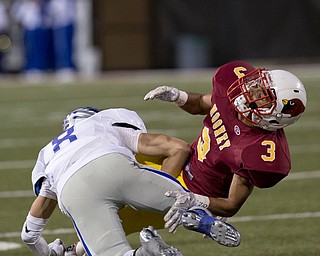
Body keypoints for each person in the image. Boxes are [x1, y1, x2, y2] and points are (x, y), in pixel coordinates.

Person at [21, 107, 240, 256]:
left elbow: (30, 233)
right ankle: (202, 217)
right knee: (182, 200)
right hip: (112, 164)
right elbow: (175, 146)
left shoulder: (48, 153)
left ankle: (146, 252)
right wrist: (159, 188)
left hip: (73, 189)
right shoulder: (102, 124)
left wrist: (47, 251)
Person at [144, 60, 307, 218]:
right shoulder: (234, 93)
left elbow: (230, 205)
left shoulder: (259, 150)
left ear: (275, 115)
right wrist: (178, 96)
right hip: (180, 159)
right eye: (259, 83)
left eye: (264, 95)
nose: (252, 90)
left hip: (189, 191)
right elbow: (201, 103)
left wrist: (195, 201)